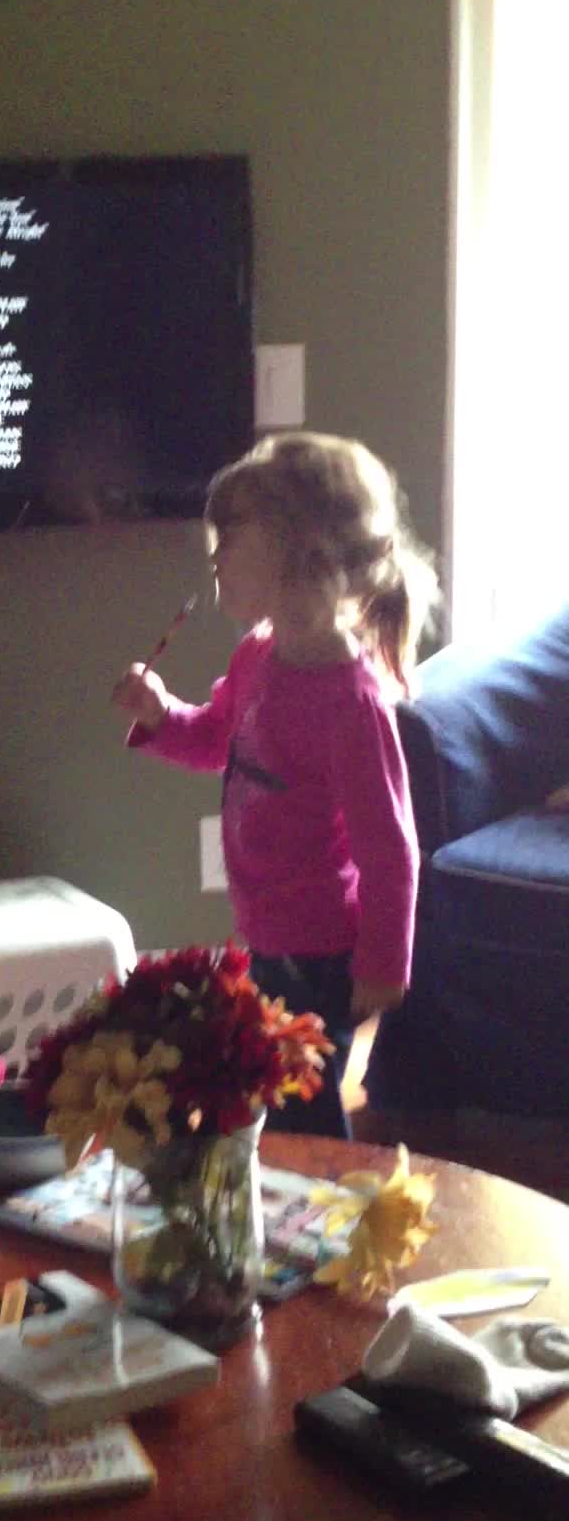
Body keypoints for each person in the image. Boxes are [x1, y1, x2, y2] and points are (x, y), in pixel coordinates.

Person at [111, 431, 440, 1138]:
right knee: (267, 1091)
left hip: (320, 952)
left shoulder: (351, 705)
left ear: (299, 559)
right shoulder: (259, 656)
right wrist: (161, 714)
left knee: (301, 1107)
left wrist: (383, 966)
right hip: (264, 933)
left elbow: (391, 852)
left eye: (229, 542)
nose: (214, 559)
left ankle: (329, 1197)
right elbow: (215, 740)